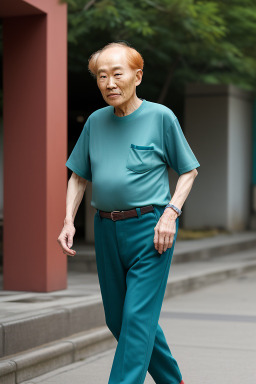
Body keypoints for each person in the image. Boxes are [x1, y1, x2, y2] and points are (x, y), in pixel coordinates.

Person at [57, 41, 200, 384]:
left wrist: (171, 213)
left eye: (116, 74)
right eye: (102, 76)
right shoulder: (95, 122)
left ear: (137, 77)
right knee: (120, 321)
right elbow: (78, 176)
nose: (109, 83)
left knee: (136, 320)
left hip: (151, 230)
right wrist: (67, 221)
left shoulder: (160, 117)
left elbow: (189, 170)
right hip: (106, 229)